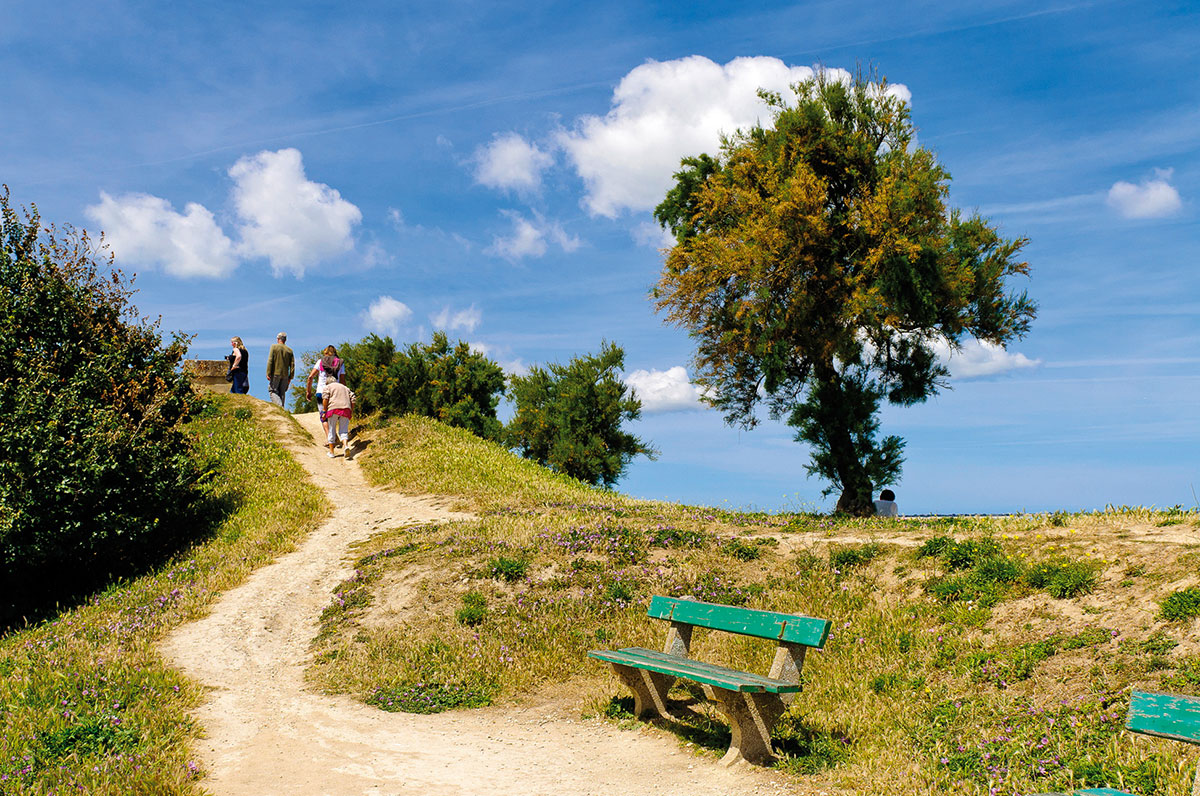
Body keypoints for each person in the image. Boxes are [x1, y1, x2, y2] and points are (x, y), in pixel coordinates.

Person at [305, 346, 346, 439]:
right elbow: (343, 380)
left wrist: (308, 391)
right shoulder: (340, 363)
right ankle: (334, 436)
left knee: (323, 416)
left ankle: (330, 438)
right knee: (333, 414)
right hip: (335, 392)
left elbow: (310, 377)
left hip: (321, 392)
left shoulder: (320, 362)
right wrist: (345, 393)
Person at [322, 377, 354, 459]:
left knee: (331, 430)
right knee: (344, 430)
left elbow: (325, 398)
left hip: (333, 409)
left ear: (327, 382)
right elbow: (353, 399)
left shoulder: (327, 387)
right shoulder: (345, 388)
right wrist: (351, 410)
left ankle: (331, 452)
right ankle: (346, 446)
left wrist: (324, 411)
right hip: (346, 409)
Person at [265, 332, 295, 408]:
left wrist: (268, 372)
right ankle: (282, 410)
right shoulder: (289, 350)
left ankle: (280, 407)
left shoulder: (274, 347)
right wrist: (290, 377)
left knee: (272, 391)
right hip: (285, 375)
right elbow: (292, 365)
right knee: (282, 392)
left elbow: (270, 360)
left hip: (275, 373)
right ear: (285, 340)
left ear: (278, 339)